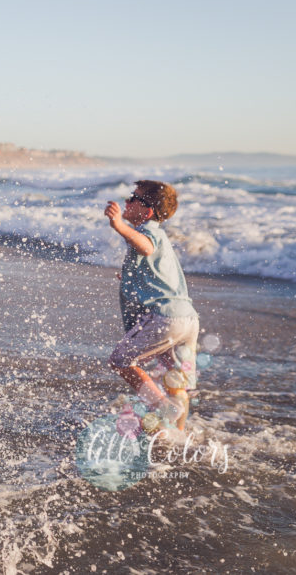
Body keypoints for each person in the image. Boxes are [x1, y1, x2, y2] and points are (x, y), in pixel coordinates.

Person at [104, 180, 199, 430]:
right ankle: (177, 435)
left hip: (165, 318)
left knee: (121, 360)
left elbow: (145, 248)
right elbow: (158, 273)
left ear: (146, 212)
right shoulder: (161, 238)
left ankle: (163, 409)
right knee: (176, 380)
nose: (127, 201)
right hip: (187, 320)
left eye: (133, 198)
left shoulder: (148, 232)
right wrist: (131, 278)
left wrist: (119, 226)